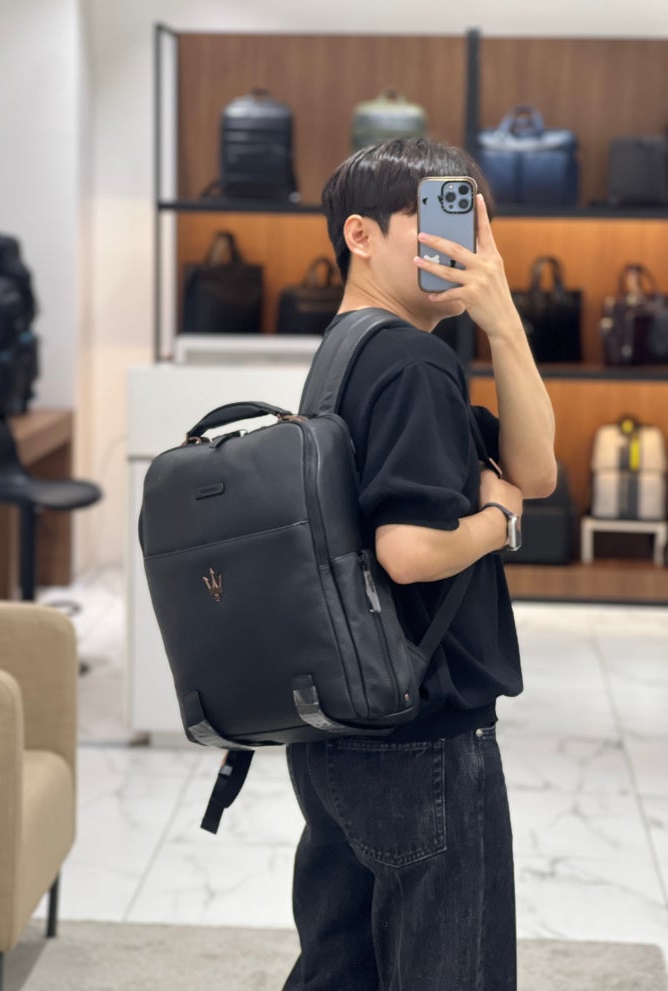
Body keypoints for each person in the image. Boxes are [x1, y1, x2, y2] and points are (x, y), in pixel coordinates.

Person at [283, 138, 557, 991]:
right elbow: (409, 551)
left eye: (469, 221)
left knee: (341, 969)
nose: (456, 245)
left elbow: (535, 466)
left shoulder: (346, 350)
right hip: (422, 733)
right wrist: (496, 524)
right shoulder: (411, 362)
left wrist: (502, 320)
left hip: (341, 727)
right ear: (359, 235)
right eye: (432, 218)